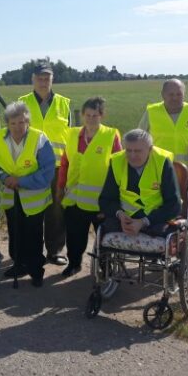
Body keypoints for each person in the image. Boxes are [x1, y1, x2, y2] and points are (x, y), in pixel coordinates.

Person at [0, 101, 55, 287]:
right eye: (13, 123)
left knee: (33, 234)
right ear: (7, 123)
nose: (17, 127)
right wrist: (4, 177)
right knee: (15, 230)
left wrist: (21, 181)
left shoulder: (40, 139)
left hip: (34, 198)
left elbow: (47, 170)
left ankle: (36, 269)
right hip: (10, 195)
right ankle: (19, 264)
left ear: (28, 122)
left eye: (21, 123)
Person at [56, 97, 122, 276]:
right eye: (88, 115)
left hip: (101, 200)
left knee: (104, 238)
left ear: (102, 115)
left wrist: (115, 197)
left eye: (95, 115)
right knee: (74, 235)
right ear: (83, 115)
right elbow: (65, 163)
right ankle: (74, 263)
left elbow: (118, 167)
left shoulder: (110, 135)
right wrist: (60, 188)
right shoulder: (72, 134)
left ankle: (106, 268)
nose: (91, 119)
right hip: (74, 198)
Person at [19, 60, 70, 265]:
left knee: (56, 210)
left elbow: (70, 136)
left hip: (57, 166)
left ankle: (55, 250)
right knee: (32, 210)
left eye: (47, 78)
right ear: (33, 79)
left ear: (52, 79)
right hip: (30, 166)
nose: (43, 81)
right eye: (39, 78)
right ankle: (31, 251)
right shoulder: (22, 102)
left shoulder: (64, 103)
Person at [99, 129, 180, 238]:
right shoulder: (116, 161)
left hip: (154, 219)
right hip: (125, 218)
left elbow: (174, 205)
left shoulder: (162, 162)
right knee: (106, 228)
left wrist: (143, 222)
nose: (132, 156)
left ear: (150, 149)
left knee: (161, 232)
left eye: (137, 151)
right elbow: (105, 199)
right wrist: (120, 215)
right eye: (128, 150)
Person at [139, 78, 188, 164]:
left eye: (179, 94)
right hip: (159, 170)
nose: (175, 98)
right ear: (163, 95)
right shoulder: (151, 112)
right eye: (171, 94)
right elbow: (138, 139)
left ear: (184, 95)